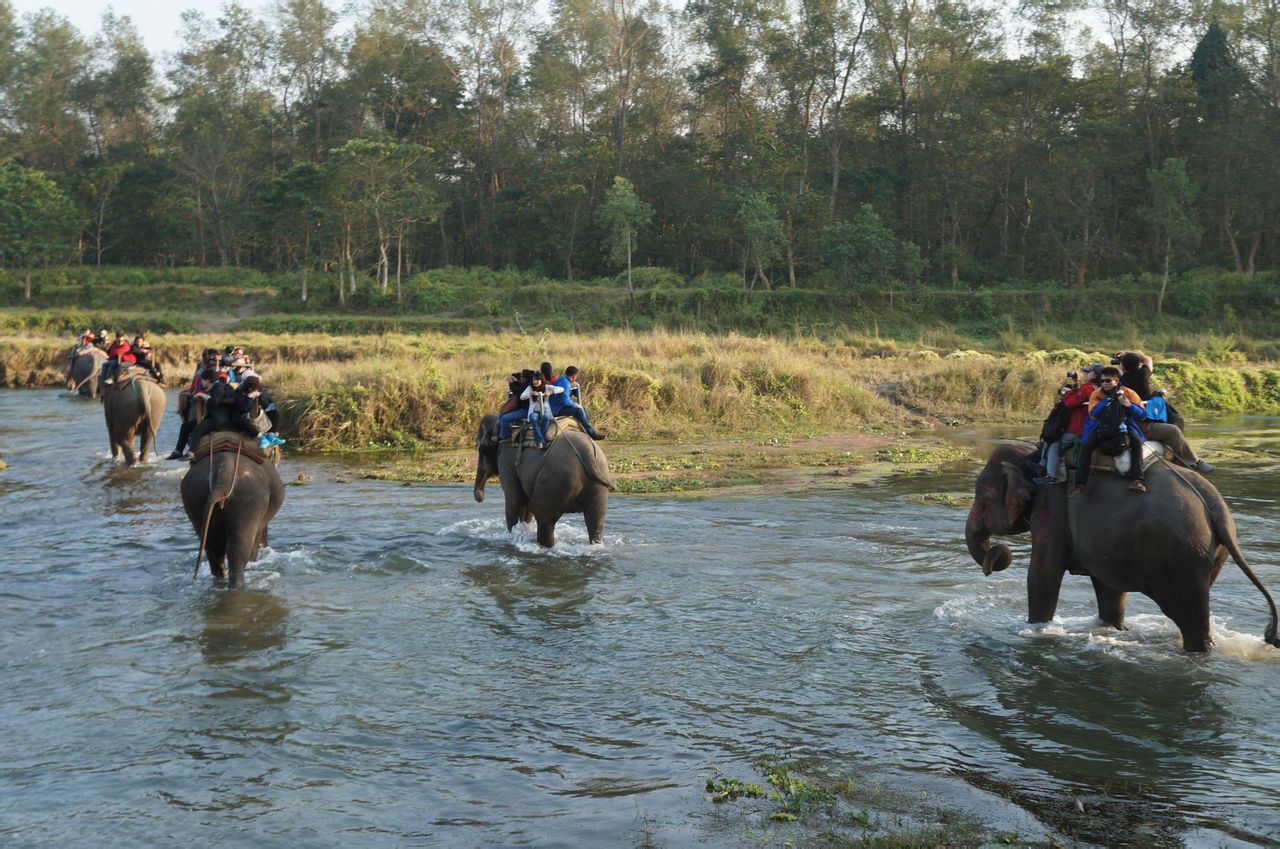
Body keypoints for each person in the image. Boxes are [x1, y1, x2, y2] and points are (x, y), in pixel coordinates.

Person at [1071, 367, 1149, 496]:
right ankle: (1081, 484)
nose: (1104, 384)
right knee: (1086, 446)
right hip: (1102, 426)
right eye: (1102, 381)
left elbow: (1142, 414)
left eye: (1108, 381)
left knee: (1136, 442)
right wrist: (1108, 401)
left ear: (1116, 380)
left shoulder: (1128, 392)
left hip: (1124, 425)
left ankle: (1137, 480)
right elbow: (1093, 415)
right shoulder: (1096, 394)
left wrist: (1129, 405)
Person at [1037, 363, 1102, 485]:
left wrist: (1066, 393)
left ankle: (1051, 476)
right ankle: (1042, 465)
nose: (1086, 373)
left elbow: (1071, 402)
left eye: (1089, 372)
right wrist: (1075, 385)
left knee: (1055, 445)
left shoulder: (1088, 388)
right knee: (1051, 438)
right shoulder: (1096, 388)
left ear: (1096, 375)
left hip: (1077, 428)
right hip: (1084, 427)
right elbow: (1079, 395)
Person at [168, 368, 215, 459]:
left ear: (207, 380)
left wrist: (204, 396)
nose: (201, 382)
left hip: (216, 419)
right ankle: (178, 451)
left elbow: (216, 400)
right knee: (185, 426)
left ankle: (192, 452)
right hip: (209, 417)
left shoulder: (218, 387)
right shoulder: (210, 387)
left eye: (202, 381)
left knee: (199, 428)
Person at [548, 364, 603, 440]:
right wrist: (575, 404)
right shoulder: (566, 384)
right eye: (576, 375)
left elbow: (569, 394)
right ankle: (591, 433)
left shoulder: (562, 378)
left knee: (584, 409)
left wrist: (575, 388)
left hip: (556, 405)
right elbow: (565, 401)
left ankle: (587, 428)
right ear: (573, 376)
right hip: (557, 409)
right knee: (579, 410)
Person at [521, 372, 563, 449]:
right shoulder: (530, 388)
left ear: (542, 380)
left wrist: (551, 392)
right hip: (534, 411)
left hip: (545, 409)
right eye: (534, 380)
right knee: (533, 418)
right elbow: (522, 397)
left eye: (537, 380)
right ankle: (540, 441)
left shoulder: (547, 387)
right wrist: (530, 394)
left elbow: (561, 389)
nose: (535, 381)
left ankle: (541, 438)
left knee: (546, 417)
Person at [496, 369, 536, 441]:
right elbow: (520, 386)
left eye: (521, 377)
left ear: (525, 378)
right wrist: (515, 381)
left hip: (525, 411)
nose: (520, 378)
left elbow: (517, 390)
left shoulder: (527, 386)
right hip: (523, 409)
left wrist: (511, 383)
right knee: (502, 415)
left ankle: (506, 436)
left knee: (504, 418)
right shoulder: (527, 384)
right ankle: (503, 433)